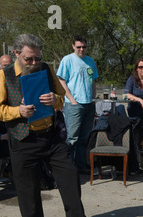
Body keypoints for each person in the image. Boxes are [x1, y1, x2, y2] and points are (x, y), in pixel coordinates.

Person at [0, 33, 101, 217]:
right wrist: (17, 112)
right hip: (22, 139)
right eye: (29, 59)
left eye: (37, 58)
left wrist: (54, 100)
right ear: (16, 54)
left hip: (51, 136)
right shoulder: (3, 76)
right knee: (28, 188)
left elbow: (60, 99)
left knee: (69, 174)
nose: (34, 62)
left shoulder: (46, 69)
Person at [57, 35, 99, 173]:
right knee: (72, 137)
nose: (81, 49)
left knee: (84, 137)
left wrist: (93, 97)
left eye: (84, 47)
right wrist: (72, 99)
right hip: (74, 104)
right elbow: (61, 81)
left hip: (88, 103)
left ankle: (80, 165)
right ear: (73, 46)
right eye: (79, 47)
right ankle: (68, 167)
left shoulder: (90, 61)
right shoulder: (67, 60)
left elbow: (93, 80)